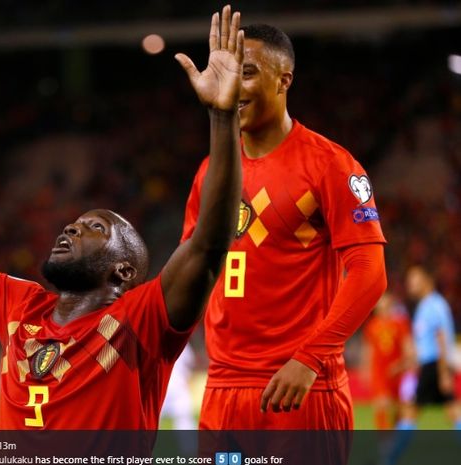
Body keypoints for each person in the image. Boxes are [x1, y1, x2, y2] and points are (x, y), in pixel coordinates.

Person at [0, 5, 244, 429]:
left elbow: (208, 245)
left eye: (97, 227)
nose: (73, 226)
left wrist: (223, 118)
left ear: (123, 270)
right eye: (76, 221)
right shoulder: (19, 307)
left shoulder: (140, 323)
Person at [181, 23, 387, 430]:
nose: (233, 85)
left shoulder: (331, 165)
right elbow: (190, 274)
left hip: (297, 389)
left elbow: (370, 273)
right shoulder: (210, 173)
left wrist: (311, 357)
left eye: (248, 72)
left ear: (284, 80)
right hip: (222, 392)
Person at [382, 266, 460, 464]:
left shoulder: (434, 305)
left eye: (414, 280)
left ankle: (389, 459)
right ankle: (389, 458)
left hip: (434, 367)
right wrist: (403, 364)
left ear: (427, 280)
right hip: (432, 365)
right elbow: (424, 345)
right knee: (453, 412)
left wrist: (443, 373)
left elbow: (441, 338)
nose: (410, 284)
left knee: (410, 413)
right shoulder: (425, 306)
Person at [361, 292, 414, 429]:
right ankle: (384, 440)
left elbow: (407, 346)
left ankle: (396, 434)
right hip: (379, 371)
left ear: (390, 305)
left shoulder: (400, 323)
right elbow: (369, 350)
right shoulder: (372, 326)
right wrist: (366, 369)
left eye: (385, 304)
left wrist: (402, 364)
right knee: (381, 404)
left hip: (397, 371)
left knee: (399, 407)